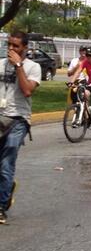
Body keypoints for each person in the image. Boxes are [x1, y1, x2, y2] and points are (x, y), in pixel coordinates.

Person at [0, 31, 41, 224]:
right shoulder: (0, 64)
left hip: (18, 119)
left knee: (6, 162)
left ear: (24, 48)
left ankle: (0, 208)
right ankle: (6, 191)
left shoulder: (33, 67)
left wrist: (18, 65)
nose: (11, 49)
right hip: (0, 117)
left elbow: (26, 90)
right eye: (9, 45)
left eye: (15, 46)